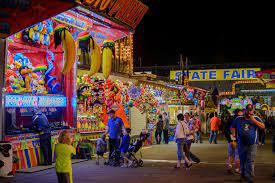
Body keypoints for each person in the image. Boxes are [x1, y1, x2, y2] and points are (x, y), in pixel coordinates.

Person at [231, 104, 265, 182]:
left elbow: (263, 127)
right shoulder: (238, 119)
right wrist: (233, 135)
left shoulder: (256, 118)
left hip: (252, 144)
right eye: (248, 110)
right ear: (245, 110)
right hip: (241, 144)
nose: (249, 112)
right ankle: (242, 175)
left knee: (250, 161)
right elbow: (233, 126)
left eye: (251, 110)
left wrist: (254, 120)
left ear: (253, 111)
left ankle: (249, 178)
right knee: (242, 160)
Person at [225, 109, 241, 174]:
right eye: (241, 112)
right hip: (237, 140)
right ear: (238, 113)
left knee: (231, 155)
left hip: (231, 140)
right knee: (237, 155)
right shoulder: (239, 120)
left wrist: (229, 139)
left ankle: (229, 167)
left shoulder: (230, 120)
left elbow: (225, 130)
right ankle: (237, 169)